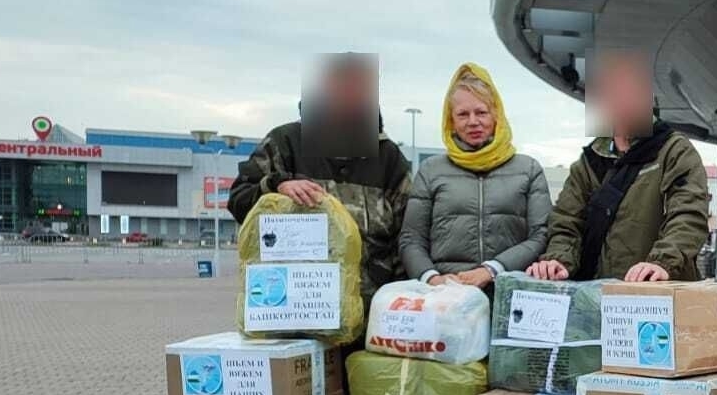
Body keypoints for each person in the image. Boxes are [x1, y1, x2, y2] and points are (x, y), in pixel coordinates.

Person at [229, 53, 410, 300]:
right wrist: (275, 185)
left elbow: (407, 234)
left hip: (368, 312)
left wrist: (394, 300)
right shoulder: (285, 142)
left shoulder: (388, 157)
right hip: (293, 308)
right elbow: (238, 200)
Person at [526, 52, 709, 282]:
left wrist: (662, 262)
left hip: (657, 295)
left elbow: (688, 215)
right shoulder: (588, 162)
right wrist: (558, 260)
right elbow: (566, 221)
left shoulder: (675, 151)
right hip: (595, 294)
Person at [399, 62, 549, 287]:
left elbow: (541, 235)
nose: (473, 122)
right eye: (462, 114)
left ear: (496, 115)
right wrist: (432, 278)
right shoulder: (431, 171)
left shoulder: (528, 170)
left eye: (481, 112)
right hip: (447, 298)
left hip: (509, 294)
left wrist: (492, 269)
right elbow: (411, 239)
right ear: (451, 120)